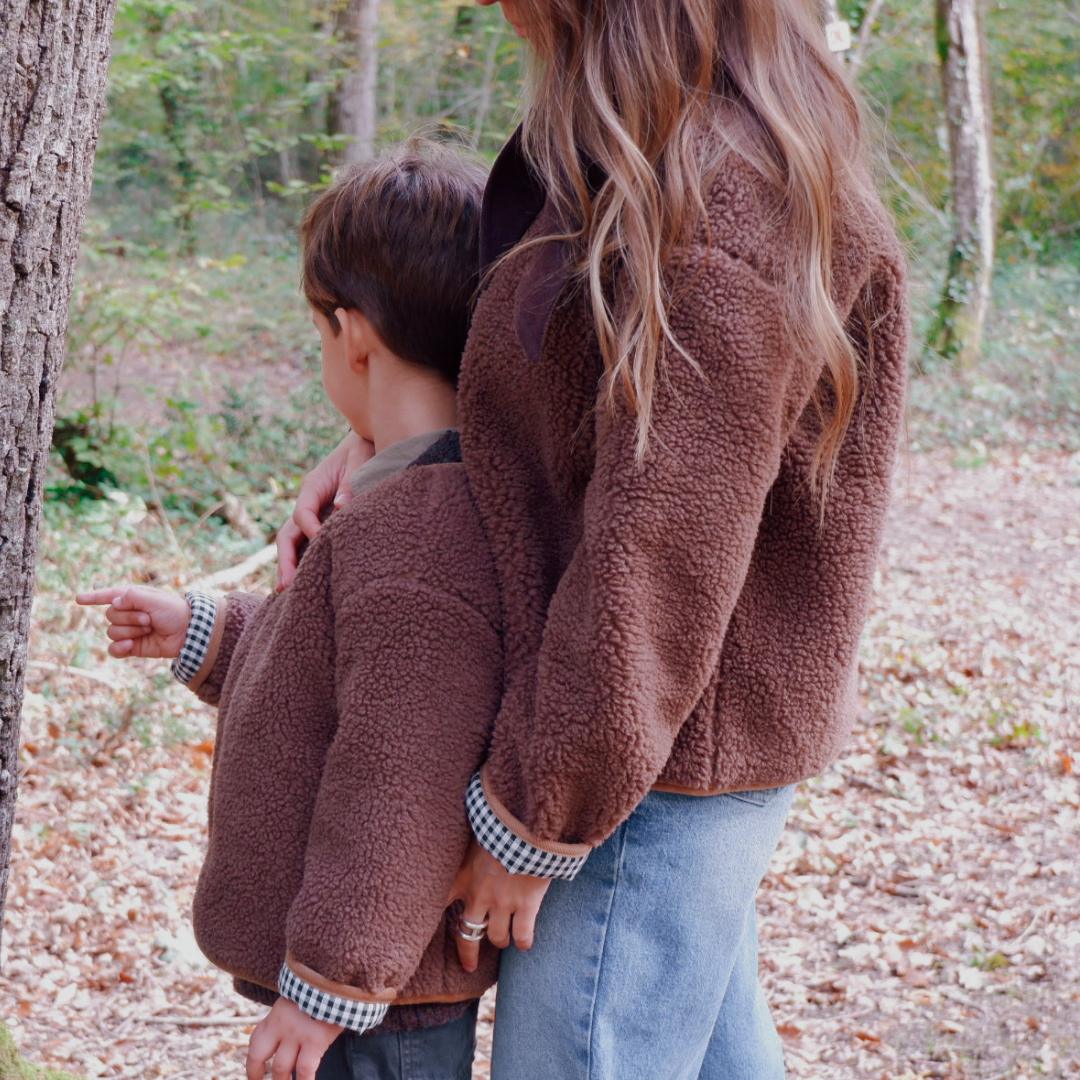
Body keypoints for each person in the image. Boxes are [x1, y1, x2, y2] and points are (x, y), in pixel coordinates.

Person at [279, 2, 910, 1079]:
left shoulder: (725, 203)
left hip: (643, 765)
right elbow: (565, 406)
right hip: (637, 738)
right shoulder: (647, 143)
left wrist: (536, 817)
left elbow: (660, 554)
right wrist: (378, 444)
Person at [77, 143, 503, 1080]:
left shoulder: (419, 539)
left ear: (354, 335)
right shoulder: (396, 502)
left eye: (318, 334)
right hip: (363, 994)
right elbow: (335, 675)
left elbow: (398, 782)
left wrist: (326, 987)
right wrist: (207, 632)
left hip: (374, 1011)